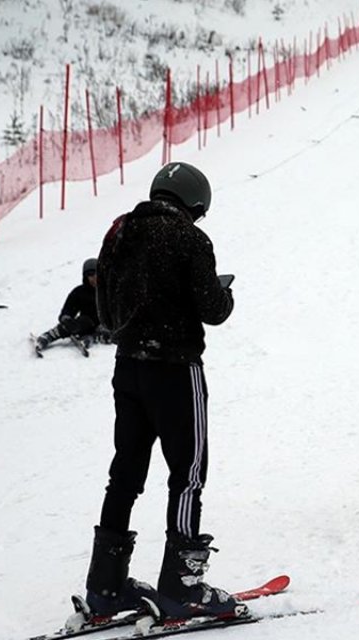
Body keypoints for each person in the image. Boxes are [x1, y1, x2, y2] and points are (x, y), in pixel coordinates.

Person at [81, 161, 238, 623]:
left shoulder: (119, 232)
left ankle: (105, 588)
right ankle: (182, 588)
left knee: (125, 474)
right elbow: (212, 310)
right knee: (187, 474)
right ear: (194, 202)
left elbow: (105, 313)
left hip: (128, 367)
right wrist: (223, 294)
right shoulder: (190, 238)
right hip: (175, 369)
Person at [35, 258, 108, 351]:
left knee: (110, 335)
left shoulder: (108, 292)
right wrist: (66, 318)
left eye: (96, 273)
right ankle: (49, 336)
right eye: (90, 274)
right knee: (76, 324)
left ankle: (92, 338)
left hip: (105, 325)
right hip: (86, 322)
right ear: (85, 277)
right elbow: (68, 308)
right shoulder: (80, 292)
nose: (94, 277)